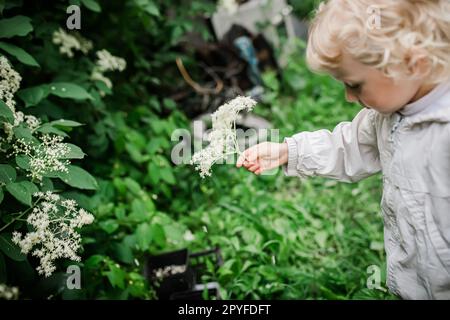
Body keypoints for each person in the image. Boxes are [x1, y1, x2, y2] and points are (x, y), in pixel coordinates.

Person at [236, 0, 450, 299]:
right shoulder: (387, 115)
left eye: (355, 84)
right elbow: (349, 145)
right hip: (415, 282)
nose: (349, 97)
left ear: (414, 63)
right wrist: (289, 151)